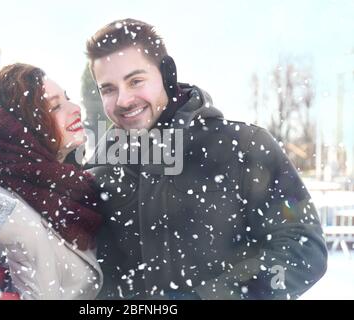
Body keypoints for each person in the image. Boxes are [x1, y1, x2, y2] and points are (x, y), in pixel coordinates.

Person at [84, 18, 328, 300]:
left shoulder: (245, 147)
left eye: (135, 81)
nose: (123, 100)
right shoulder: (100, 168)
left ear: (167, 74)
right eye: (108, 89)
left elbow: (303, 249)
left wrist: (209, 297)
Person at [0, 63, 103, 300]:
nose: (75, 108)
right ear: (23, 131)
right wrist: (22, 233)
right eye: (56, 106)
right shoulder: (2, 208)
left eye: (67, 99)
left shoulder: (71, 188)